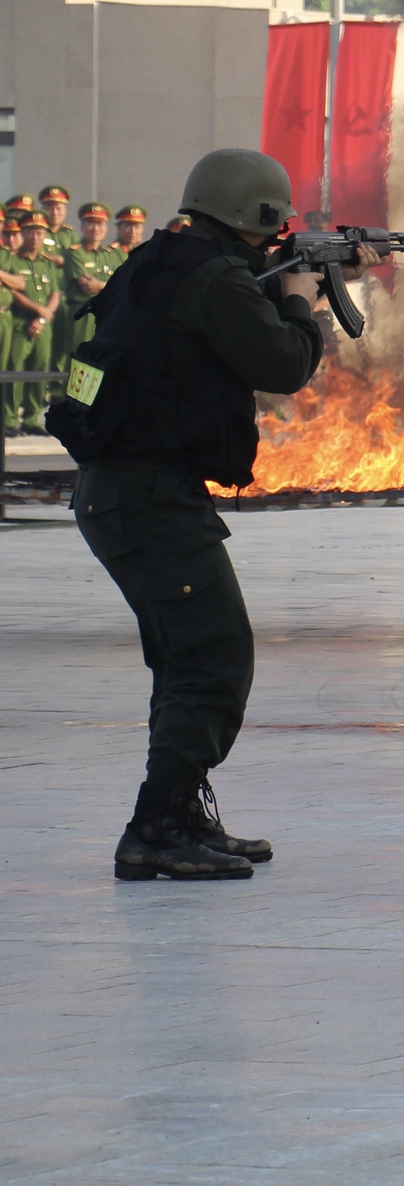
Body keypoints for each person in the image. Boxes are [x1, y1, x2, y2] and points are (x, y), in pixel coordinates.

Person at [47, 149, 349, 882]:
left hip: (118, 489)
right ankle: (152, 829)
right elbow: (281, 365)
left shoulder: (160, 261)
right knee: (216, 657)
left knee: (184, 660)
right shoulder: (214, 278)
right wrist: (304, 297)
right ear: (263, 217)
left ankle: (180, 814)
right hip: (149, 497)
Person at [4, 209, 62, 435]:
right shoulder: (12, 259)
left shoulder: (47, 262)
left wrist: (44, 315)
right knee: (14, 372)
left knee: (39, 371)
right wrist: (38, 310)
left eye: (39, 232)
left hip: (42, 325)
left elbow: (55, 292)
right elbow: (12, 291)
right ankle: (9, 419)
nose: (35, 236)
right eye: (30, 231)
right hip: (20, 323)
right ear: (22, 233)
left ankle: (31, 418)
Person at [59, 202, 121, 368]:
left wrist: (100, 285)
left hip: (106, 315)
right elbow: (86, 286)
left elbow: (119, 285)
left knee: (101, 362)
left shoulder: (111, 255)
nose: (95, 228)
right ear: (82, 226)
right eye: (90, 223)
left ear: (106, 227)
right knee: (79, 362)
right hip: (82, 313)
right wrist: (107, 286)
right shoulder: (74, 252)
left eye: (100, 224)